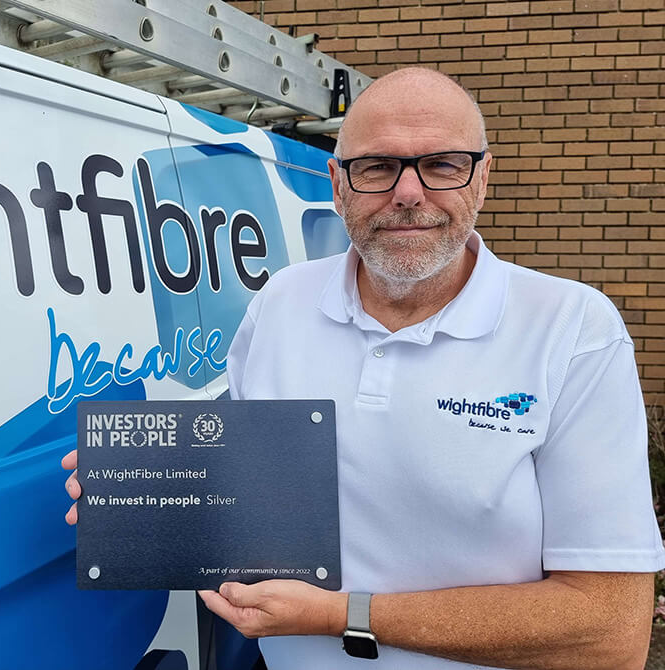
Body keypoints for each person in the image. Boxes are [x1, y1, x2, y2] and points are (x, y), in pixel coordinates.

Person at [62, 67, 665, 669]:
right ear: (337, 182)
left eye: (442, 164)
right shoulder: (280, 303)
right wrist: (144, 493)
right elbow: (249, 488)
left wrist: (341, 615)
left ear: (482, 177)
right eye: (377, 167)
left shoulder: (572, 329)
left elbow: (610, 633)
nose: (408, 193)